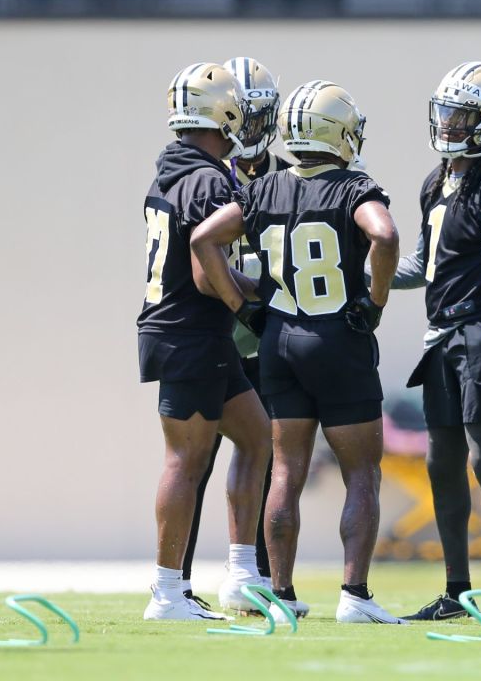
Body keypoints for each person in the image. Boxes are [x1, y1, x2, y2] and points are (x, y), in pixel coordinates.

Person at [190, 80, 406, 624]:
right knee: (362, 473)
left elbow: (202, 241)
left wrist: (242, 306)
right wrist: (375, 302)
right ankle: (354, 595)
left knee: (284, 471)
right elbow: (384, 235)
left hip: (280, 340)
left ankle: (281, 595)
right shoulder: (353, 187)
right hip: (338, 338)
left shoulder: (262, 189)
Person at [390, 62, 481, 622]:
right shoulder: (438, 178)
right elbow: (425, 265)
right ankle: (457, 590)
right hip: (443, 337)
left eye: (463, 116)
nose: (450, 125)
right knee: (441, 463)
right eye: (447, 113)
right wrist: (363, 276)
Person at [138, 62, 271, 621]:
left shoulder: (171, 170)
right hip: (189, 331)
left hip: (193, 333)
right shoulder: (209, 177)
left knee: (258, 436)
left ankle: (242, 573)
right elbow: (201, 270)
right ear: (226, 112)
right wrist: (252, 298)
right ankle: (167, 591)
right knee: (186, 459)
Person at [177, 56, 306, 617]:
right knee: (198, 461)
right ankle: (176, 580)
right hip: (221, 336)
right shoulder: (209, 176)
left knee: (266, 457)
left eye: (257, 120)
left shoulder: (287, 177)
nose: (246, 133)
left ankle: (261, 581)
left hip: (269, 339)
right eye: (241, 119)